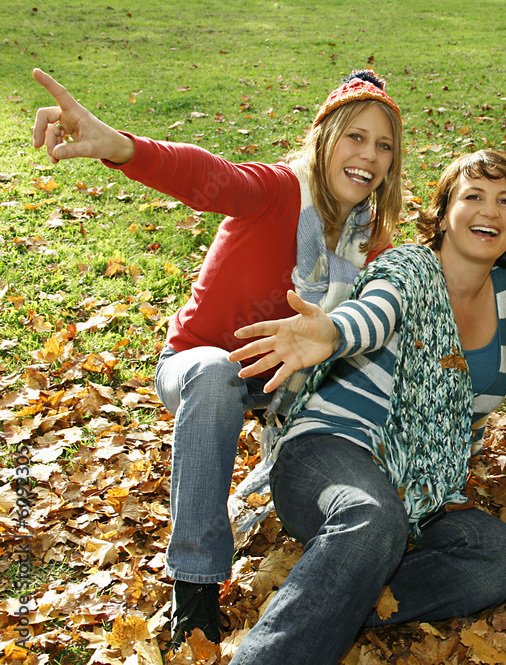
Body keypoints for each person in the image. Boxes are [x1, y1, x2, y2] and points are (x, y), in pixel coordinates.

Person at [30, 68, 405, 647]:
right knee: (213, 373)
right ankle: (196, 588)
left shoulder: (367, 241)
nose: (369, 156)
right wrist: (120, 147)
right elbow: (207, 176)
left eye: (383, 145)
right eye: (355, 137)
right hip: (199, 365)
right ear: (324, 138)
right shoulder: (277, 190)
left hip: (284, 387)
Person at [224, 149, 506, 664]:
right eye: (474, 196)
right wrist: (332, 330)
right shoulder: (408, 266)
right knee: (372, 515)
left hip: (425, 489)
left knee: (499, 561)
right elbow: (375, 309)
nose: (491, 211)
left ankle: (333, 598)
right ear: (443, 214)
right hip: (329, 452)